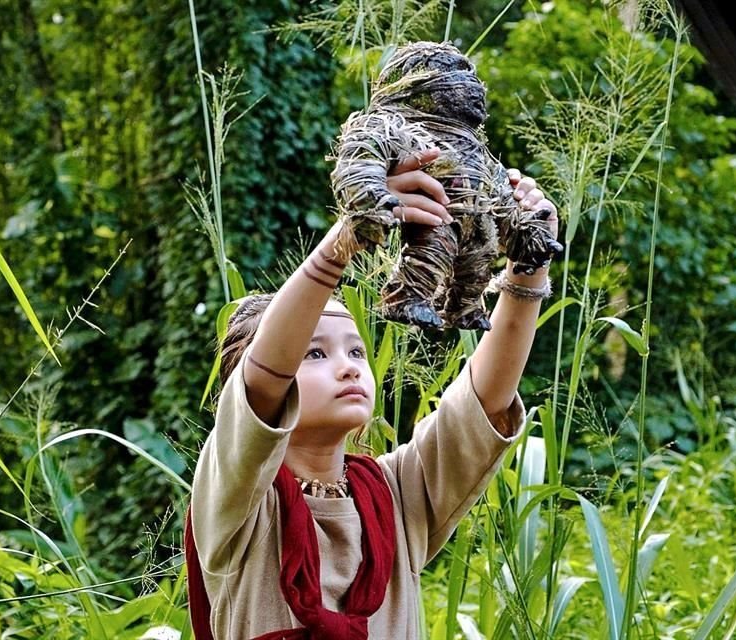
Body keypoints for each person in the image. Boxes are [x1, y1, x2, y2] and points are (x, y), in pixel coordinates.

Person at [186, 147, 559, 639]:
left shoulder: (395, 497)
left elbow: (483, 400)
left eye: (357, 352)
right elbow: (264, 378)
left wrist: (529, 263)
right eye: (315, 353)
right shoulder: (235, 503)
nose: (348, 367)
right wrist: (350, 234)